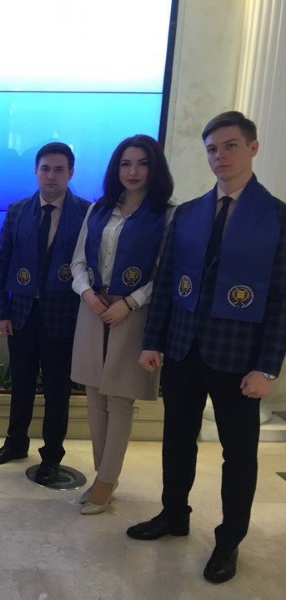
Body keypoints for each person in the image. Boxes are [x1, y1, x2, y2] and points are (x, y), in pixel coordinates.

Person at [127, 111, 286, 583]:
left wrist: (267, 367)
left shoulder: (277, 217)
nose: (220, 156)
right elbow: (166, 282)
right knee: (177, 439)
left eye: (230, 146)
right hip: (182, 349)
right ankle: (174, 513)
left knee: (238, 454)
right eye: (212, 149)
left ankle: (229, 540)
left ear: (252, 148)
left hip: (239, 357)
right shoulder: (189, 213)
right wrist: (153, 342)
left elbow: (281, 299)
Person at [70, 134, 174, 514]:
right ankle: (104, 476)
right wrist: (87, 294)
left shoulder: (166, 214)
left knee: (119, 397)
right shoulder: (99, 209)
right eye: (126, 164)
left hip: (134, 311)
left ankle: (105, 480)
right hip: (93, 307)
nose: (133, 171)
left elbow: (165, 272)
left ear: (154, 168)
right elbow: (78, 261)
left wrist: (129, 302)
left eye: (142, 163)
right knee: (94, 394)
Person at [0, 142, 89, 484]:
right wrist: (1, 312)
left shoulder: (86, 213)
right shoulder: (18, 211)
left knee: (58, 391)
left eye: (59, 169)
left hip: (64, 318)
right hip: (21, 315)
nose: (51, 176)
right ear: (35, 171)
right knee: (21, 385)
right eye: (45, 168)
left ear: (70, 173)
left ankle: (52, 456)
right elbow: (1, 262)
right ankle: (15, 443)